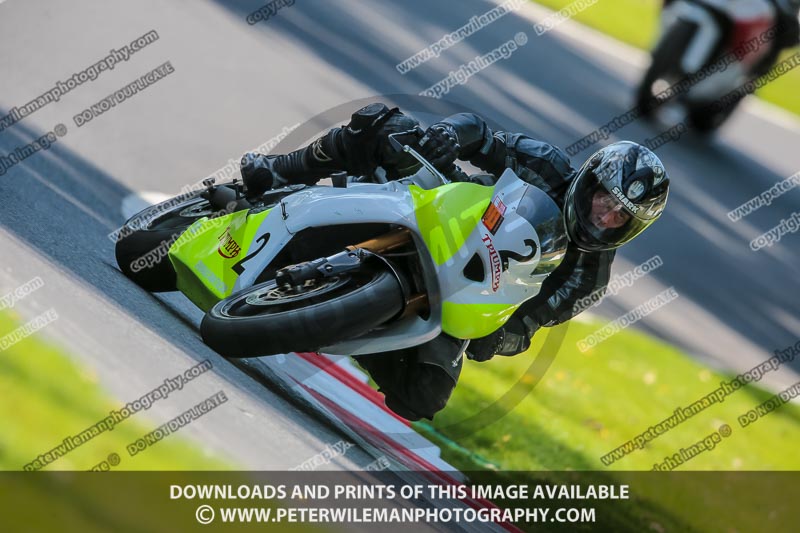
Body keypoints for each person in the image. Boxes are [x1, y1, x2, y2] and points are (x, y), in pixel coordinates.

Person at [239, 103, 670, 421]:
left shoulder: (587, 279)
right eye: (606, 200)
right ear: (590, 182)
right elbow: (482, 135)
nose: (606, 218)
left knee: (422, 396)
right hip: (447, 215)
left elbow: (526, 326)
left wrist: (495, 338)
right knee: (389, 127)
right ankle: (282, 170)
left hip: (461, 295)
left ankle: (348, 322)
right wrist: (449, 134)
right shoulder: (548, 165)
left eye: (622, 217)